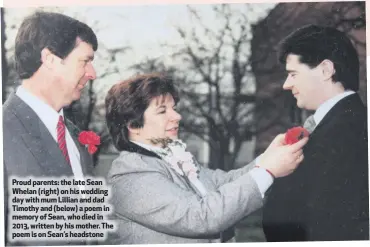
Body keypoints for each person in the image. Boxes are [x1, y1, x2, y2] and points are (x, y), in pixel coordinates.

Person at [104, 73, 308, 244]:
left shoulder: (172, 158)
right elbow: (200, 217)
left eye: (174, 108)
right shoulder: (131, 174)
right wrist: (268, 170)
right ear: (132, 125)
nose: (177, 116)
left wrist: (267, 158)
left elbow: (225, 182)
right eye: (162, 110)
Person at [262, 25, 369, 241]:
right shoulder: (342, 124)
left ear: (325, 70)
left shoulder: (344, 133)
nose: (286, 84)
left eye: (293, 74)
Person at [3, 11, 98, 245]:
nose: (92, 74)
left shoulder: (73, 136)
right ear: (50, 59)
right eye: (85, 61)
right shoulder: (5, 130)